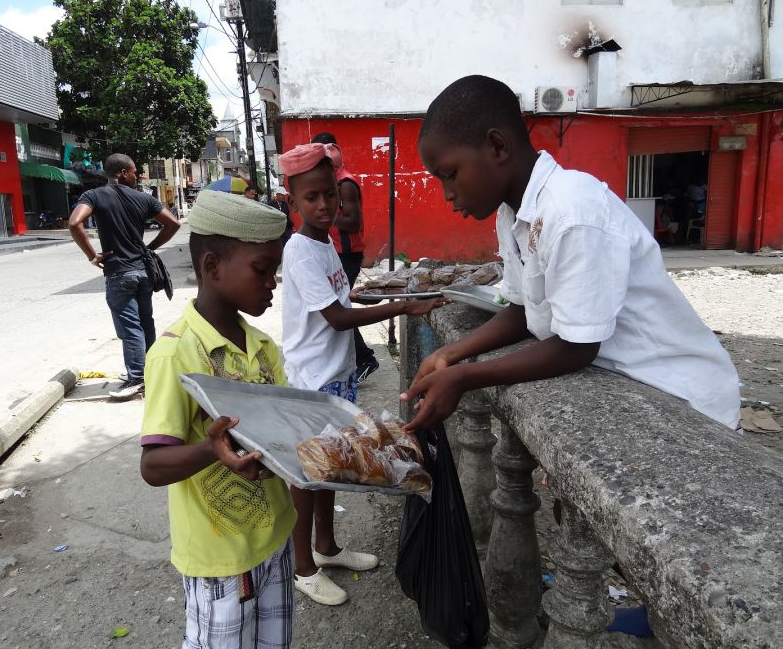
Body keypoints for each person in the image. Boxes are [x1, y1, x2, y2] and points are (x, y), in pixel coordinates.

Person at [401, 75, 740, 433]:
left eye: (450, 175)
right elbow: (522, 310)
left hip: (683, 398)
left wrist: (464, 377)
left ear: (497, 147)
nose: (447, 194)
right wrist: (448, 354)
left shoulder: (572, 211)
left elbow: (578, 346)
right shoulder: (512, 214)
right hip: (626, 387)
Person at [279, 142, 447, 605]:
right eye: (311, 197)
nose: (324, 204)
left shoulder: (325, 243)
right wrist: (404, 306)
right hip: (312, 378)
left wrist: (379, 293)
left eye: (330, 194)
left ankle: (327, 546)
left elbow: (342, 300)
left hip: (336, 372)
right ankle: (303, 567)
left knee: (330, 464)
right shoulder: (301, 250)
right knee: (306, 474)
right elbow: (337, 318)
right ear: (293, 202)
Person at [139, 190, 296, 649]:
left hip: (276, 538)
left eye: (274, 271)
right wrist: (212, 449)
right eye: (262, 270)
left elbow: (284, 429)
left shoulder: (263, 348)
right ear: (212, 266)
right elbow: (153, 466)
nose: (271, 283)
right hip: (220, 559)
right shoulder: (175, 353)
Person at [68, 153, 181, 400]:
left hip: (119, 272)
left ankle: (137, 378)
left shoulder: (94, 196)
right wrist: (149, 248)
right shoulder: (144, 198)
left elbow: (75, 223)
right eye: (133, 172)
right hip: (143, 271)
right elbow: (173, 223)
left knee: (130, 327)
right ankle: (149, 372)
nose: (136, 176)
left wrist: (92, 255)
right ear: (122, 172)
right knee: (145, 322)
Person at [311, 132, 380, 383]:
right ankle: (354, 358)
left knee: (337, 310)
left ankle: (366, 358)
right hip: (334, 251)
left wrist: (324, 215)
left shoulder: (345, 183)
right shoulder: (329, 183)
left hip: (348, 254)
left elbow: (353, 223)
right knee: (335, 309)